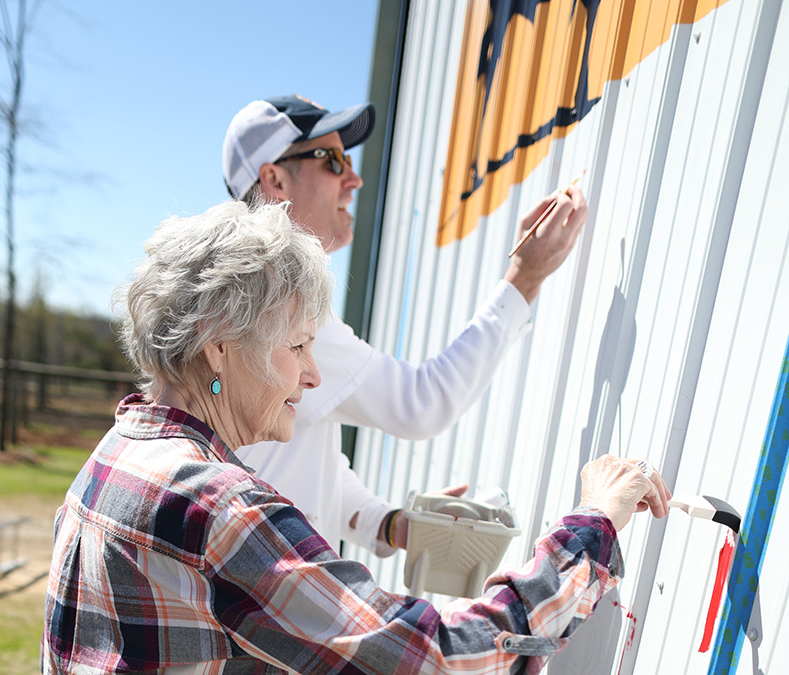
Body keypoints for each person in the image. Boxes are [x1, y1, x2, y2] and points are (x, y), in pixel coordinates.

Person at [42, 199, 670, 675]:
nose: (313, 375)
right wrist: (588, 533)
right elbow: (444, 667)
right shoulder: (216, 507)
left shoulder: (115, 459)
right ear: (218, 345)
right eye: (297, 346)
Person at [222, 95, 589, 554]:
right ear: (274, 179)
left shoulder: (250, 285)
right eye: (332, 159)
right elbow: (422, 403)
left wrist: (393, 524)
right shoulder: (278, 297)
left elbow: (305, 460)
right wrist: (524, 278)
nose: (353, 178)